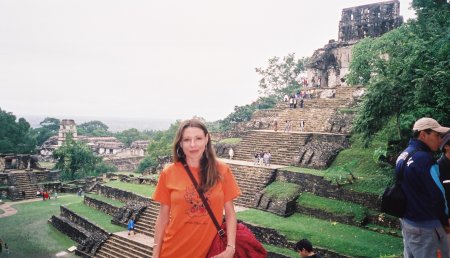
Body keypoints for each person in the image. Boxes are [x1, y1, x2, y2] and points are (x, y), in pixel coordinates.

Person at [152, 119, 241, 258]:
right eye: (187, 140)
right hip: (172, 251)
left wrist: (230, 248)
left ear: (206, 139)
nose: (193, 145)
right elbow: (163, 217)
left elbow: (230, 213)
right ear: (180, 143)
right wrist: (155, 254)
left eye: (198, 138)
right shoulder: (169, 173)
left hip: (210, 253)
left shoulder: (222, 171)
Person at [397, 117, 450, 257]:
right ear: (423, 134)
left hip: (408, 221)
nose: (440, 140)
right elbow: (438, 194)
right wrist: (445, 220)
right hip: (427, 226)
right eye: (437, 135)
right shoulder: (425, 160)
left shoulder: (404, 154)